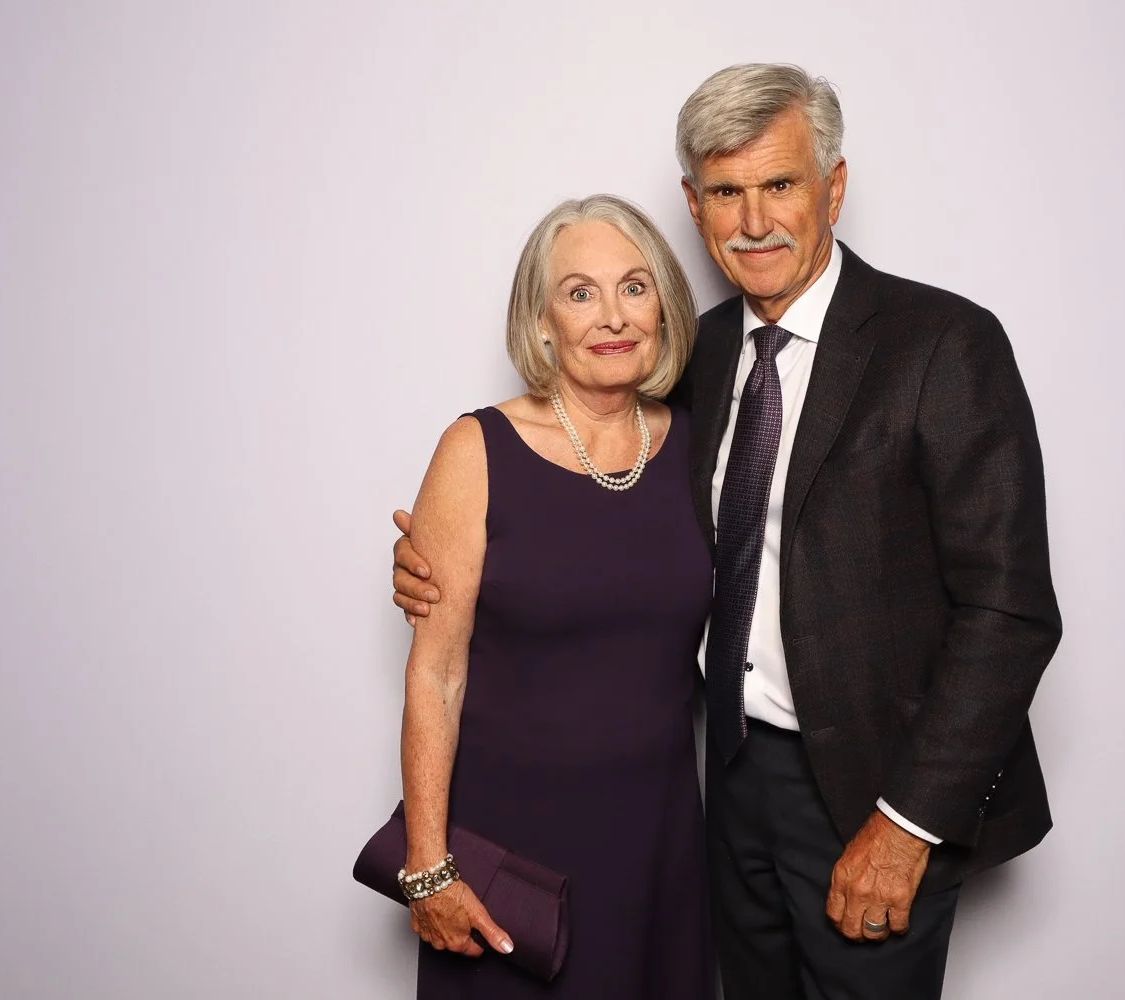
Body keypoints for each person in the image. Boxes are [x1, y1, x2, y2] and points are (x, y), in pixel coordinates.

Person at [394, 64, 1061, 1000]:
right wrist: (443, 559)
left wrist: (908, 824)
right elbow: (592, 515)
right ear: (694, 205)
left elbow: (1010, 611)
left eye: (780, 184)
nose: (754, 220)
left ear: (833, 186)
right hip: (723, 789)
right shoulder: (690, 359)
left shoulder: (942, 345)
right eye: (726, 192)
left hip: (872, 793)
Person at [395, 194, 714, 999]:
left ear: (665, 307)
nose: (613, 315)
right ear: (541, 322)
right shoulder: (478, 449)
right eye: (580, 293)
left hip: (661, 849)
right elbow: (436, 675)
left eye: (635, 287)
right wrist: (427, 867)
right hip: (513, 858)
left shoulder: (699, 445)